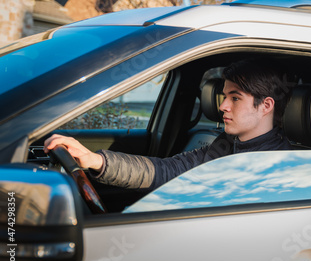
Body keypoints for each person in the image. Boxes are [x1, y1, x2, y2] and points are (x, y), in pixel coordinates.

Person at [44, 58, 293, 191]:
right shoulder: (226, 145)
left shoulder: (280, 166)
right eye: (224, 96)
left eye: (235, 98)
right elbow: (165, 170)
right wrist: (96, 161)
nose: (222, 106)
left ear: (266, 106)